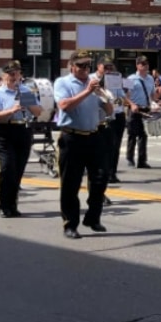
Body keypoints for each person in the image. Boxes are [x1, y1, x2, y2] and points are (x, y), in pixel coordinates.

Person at [54, 50, 113, 239]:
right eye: (81, 65)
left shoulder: (94, 84)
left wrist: (106, 98)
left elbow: (109, 110)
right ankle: (70, 224)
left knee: (101, 178)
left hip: (94, 136)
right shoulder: (63, 83)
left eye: (88, 65)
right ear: (72, 66)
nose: (84, 69)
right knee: (71, 183)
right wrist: (87, 91)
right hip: (72, 137)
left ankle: (93, 217)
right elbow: (64, 105)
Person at [0, 61, 42, 218]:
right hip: (4, 132)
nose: (14, 76)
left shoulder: (26, 91)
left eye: (17, 73)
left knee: (17, 171)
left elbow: (38, 112)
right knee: (7, 168)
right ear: (3, 76)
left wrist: (28, 102)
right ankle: (4, 205)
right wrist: (11, 110)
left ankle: (13, 204)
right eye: (11, 73)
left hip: (22, 130)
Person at [95, 57, 127, 184]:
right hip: (101, 117)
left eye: (110, 67)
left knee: (115, 146)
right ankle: (101, 172)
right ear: (99, 67)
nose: (108, 69)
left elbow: (121, 98)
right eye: (105, 67)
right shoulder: (92, 79)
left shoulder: (115, 79)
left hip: (117, 115)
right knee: (103, 147)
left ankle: (112, 173)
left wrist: (118, 100)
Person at [126, 56, 155, 169]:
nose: (145, 65)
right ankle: (130, 158)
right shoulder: (130, 78)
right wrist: (132, 104)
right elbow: (125, 96)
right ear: (137, 65)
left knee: (144, 135)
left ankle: (142, 160)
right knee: (132, 135)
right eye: (142, 63)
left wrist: (154, 103)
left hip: (145, 109)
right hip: (134, 109)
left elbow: (152, 94)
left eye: (146, 63)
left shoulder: (150, 78)